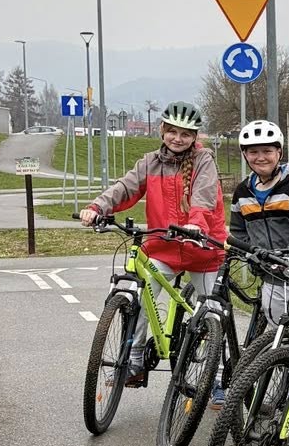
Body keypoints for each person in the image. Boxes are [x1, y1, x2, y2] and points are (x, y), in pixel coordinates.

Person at [79, 100, 226, 385]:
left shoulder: (203, 160)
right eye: (172, 131)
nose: (178, 139)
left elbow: (204, 195)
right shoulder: (150, 162)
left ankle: (217, 375)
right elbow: (125, 188)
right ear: (162, 130)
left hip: (202, 245)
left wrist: (195, 223)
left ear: (194, 137)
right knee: (141, 300)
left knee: (213, 311)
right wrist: (97, 208)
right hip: (163, 245)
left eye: (185, 134)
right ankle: (134, 361)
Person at [228, 119, 289, 322]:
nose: (260, 157)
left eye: (267, 151)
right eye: (253, 152)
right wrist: (254, 255)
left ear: (279, 152)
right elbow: (239, 231)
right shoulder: (243, 191)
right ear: (245, 155)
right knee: (280, 330)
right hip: (271, 273)